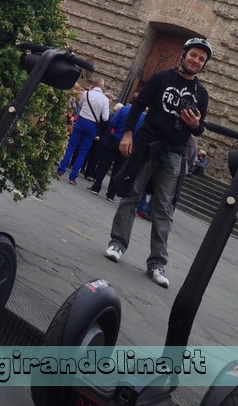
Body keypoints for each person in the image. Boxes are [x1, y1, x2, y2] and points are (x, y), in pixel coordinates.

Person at [104, 37, 212, 289]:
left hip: (175, 153)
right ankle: (117, 244)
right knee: (131, 195)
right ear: (183, 54)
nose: (196, 60)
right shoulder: (160, 79)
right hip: (147, 145)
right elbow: (138, 105)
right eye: (193, 55)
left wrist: (196, 125)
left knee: (164, 209)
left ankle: (156, 263)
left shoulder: (201, 94)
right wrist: (128, 133)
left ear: (203, 65)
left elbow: (200, 129)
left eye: (201, 59)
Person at [88, 98, 146, 201]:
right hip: (128, 143)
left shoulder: (123, 109)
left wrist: (114, 132)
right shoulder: (143, 117)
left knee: (104, 163)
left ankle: (96, 186)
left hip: (115, 139)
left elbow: (113, 122)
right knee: (119, 168)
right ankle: (111, 194)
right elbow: (141, 133)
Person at [56, 77, 110, 185]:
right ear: (102, 86)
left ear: (93, 84)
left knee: (71, 146)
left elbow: (80, 105)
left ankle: (60, 171)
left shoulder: (86, 94)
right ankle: (73, 177)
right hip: (93, 125)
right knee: (83, 151)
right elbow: (105, 118)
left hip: (81, 121)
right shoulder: (105, 100)